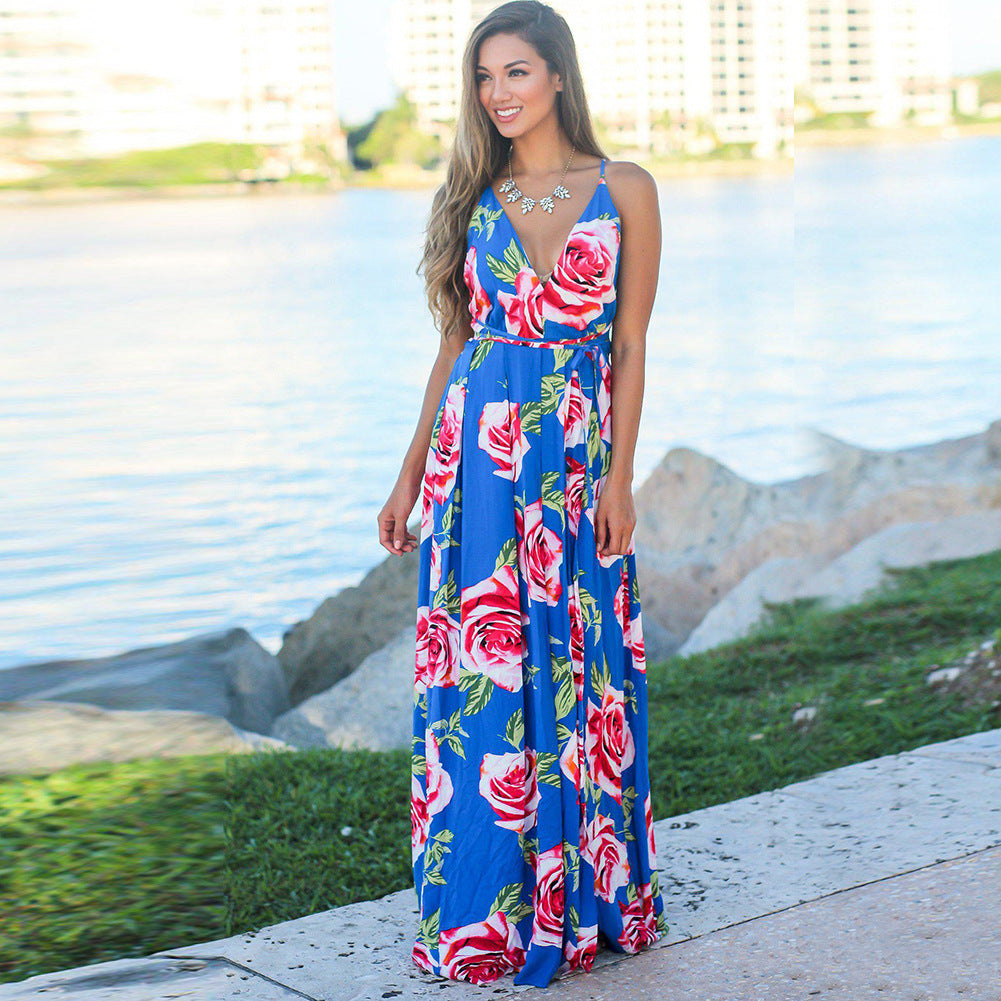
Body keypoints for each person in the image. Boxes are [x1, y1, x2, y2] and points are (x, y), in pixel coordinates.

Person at [377, 0, 666, 988]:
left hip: (576, 452)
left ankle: (591, 893)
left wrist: (620, 474)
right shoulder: (470, 196)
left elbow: (627, 345)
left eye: (514, 73)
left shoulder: (622, 186)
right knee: (484, 672)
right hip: (481, 461)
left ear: (555, 75)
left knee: (582, 660)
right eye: (483, 79)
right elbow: (454, 345)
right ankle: (486, 914)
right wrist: (410, 470)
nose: (496, 94)